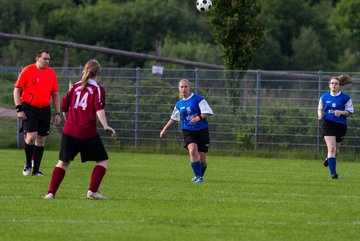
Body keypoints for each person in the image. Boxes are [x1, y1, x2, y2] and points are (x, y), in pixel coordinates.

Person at [44, 59, 115, 200]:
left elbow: (64, 106)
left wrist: (68, 119)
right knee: (102, 161)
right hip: (86, 131)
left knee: (63, 162)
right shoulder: (98, 89)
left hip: (69, 130)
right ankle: (92, 191)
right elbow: (99, 108)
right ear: (98, 73)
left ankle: (50, 193)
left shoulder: (76, 86)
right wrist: (105, 125)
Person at [13, 49, 61, 176]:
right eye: (44, 59)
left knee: (41, 139)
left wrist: (58, 113)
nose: (47, 61)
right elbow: (16, 91)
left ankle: (36, 170)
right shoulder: (27, 70)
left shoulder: (51, 73)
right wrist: (19, 109)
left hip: (44, 109)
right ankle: (28, 164)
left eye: (48, 59)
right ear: (37, 59)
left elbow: (55, 94)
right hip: (29, 107)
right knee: (31, 137)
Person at [160, 79, 213, 183]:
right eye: (181, 87)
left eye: (185, 87)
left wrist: (197, 118)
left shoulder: (198, 99)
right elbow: (173, 118)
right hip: (188, 131)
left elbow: (208, 112)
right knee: (192, 151)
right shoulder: (179, 104)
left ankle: (199, 175)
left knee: (202, 161)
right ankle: (199, 177)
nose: (184, 89)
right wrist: (164, 129)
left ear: (189, 88)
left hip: (202, 131)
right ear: (179, 89)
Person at [317, 74, 354, 179]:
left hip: (340, 126)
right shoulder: (324, 97)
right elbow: (319, 109)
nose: (334, 85)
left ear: (339, 86)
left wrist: (341, 112)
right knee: (332, 149)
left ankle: (329, 159)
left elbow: (350, 111)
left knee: (336, 151)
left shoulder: (345, 98)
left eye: (336, 84)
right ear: (329, 85)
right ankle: (333, 174)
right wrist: (320, 115)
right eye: (332, 83)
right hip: (327, 124)